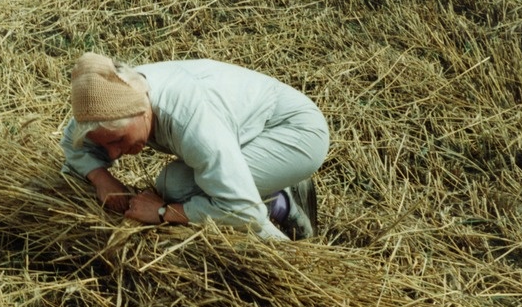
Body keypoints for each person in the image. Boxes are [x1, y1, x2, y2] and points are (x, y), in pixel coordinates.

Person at [60, 52, 329, 240]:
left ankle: (284, 239)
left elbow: (243, 210)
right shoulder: (108, 100)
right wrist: (101, 178)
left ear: (142, 111)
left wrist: (165, 212)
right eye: (106, 146)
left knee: (181, 191)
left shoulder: (190, 120)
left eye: (118, 141)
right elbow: (74, 143)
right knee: (174, 184)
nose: (113, 154)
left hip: (295, 132)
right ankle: (266, 184)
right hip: (244, 128)